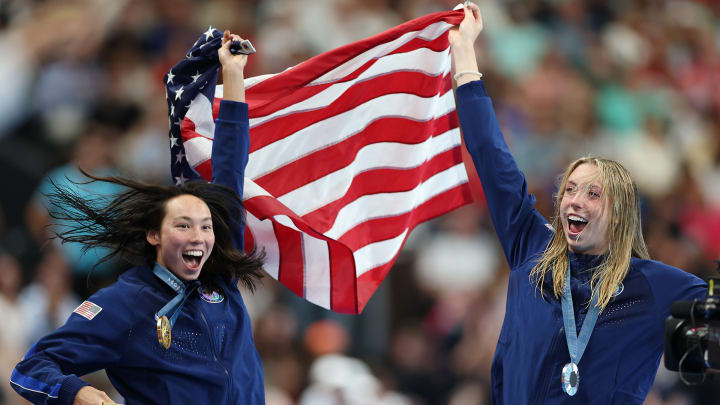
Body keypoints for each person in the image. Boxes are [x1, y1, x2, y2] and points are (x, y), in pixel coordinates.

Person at [449, 3, 706, 404]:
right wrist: (464, 52)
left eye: (593, 193)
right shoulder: (530, 246)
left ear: (620, 215)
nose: (574, 200)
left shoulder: (656, 285)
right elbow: (490, 154)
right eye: (569, 189)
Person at [10, 31, 267, 404]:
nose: (200, 236)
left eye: (206, 226)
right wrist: (78, 392)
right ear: (154, 236)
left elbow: (231, 165)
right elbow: (30, 369)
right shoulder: (125, 303)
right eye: (183, 225)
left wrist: (233, 75)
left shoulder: (220, 272)